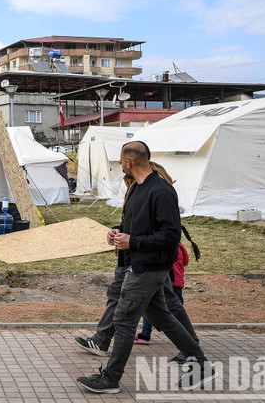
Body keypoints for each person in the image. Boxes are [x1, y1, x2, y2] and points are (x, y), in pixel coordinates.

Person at [76, 141, 215, 394]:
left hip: (148, 269)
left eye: (120, 161)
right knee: (163, 317)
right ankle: (201, 364)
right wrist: (117, 233)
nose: (119, 165)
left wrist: (134, 242)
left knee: (124, 319)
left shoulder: (160, 191)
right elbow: (134, 226)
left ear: (129, 162)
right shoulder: (137, 189)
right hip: (136, 265)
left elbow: (171, 236)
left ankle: (110, 378)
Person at [135, 240, 193, 344]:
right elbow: (186, 262)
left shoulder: (161, 246)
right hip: (178, 283)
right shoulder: (180, 247)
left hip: (164, 281)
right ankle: (186, 335)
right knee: (178, 309)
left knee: (150, 308)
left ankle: (145, 333)